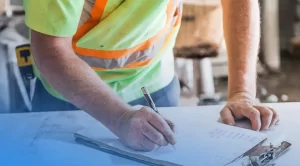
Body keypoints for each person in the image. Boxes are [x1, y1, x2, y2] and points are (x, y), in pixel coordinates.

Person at [23, 0, 279, 151]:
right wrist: (120, 117)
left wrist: (241, 93)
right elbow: (50, 50)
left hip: (155, 84)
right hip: (70, 97)